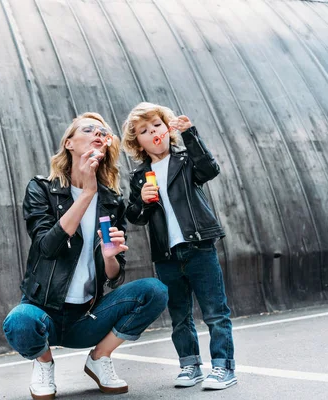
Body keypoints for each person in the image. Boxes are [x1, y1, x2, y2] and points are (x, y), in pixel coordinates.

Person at [2, 112, 168, 399]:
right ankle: (43, 363)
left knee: (154, 291)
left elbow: (114, 278)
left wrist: (110, 256)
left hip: (88, 317)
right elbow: (47, 247)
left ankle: (99, 358)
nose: (98, 134)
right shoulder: (42, 189)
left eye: (103, 132)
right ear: (69, 143)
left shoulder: (111, 201)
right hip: (45, 315)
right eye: (89, 129)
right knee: (19, 321)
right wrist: (87, 193)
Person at [121, 102, 237, 390]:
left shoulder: (185, 161)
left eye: (157, 125)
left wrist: (191, 135)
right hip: (166, 255)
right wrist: (142, 202)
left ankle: (223, 367)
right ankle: (190, 365)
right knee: (179, 315)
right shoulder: (138, 177)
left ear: (168, 128)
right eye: (144, 131)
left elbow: (209, 170)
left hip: (198, 246)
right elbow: (134, 217)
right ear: (138, 141)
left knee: (215, 311)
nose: (153, 132)